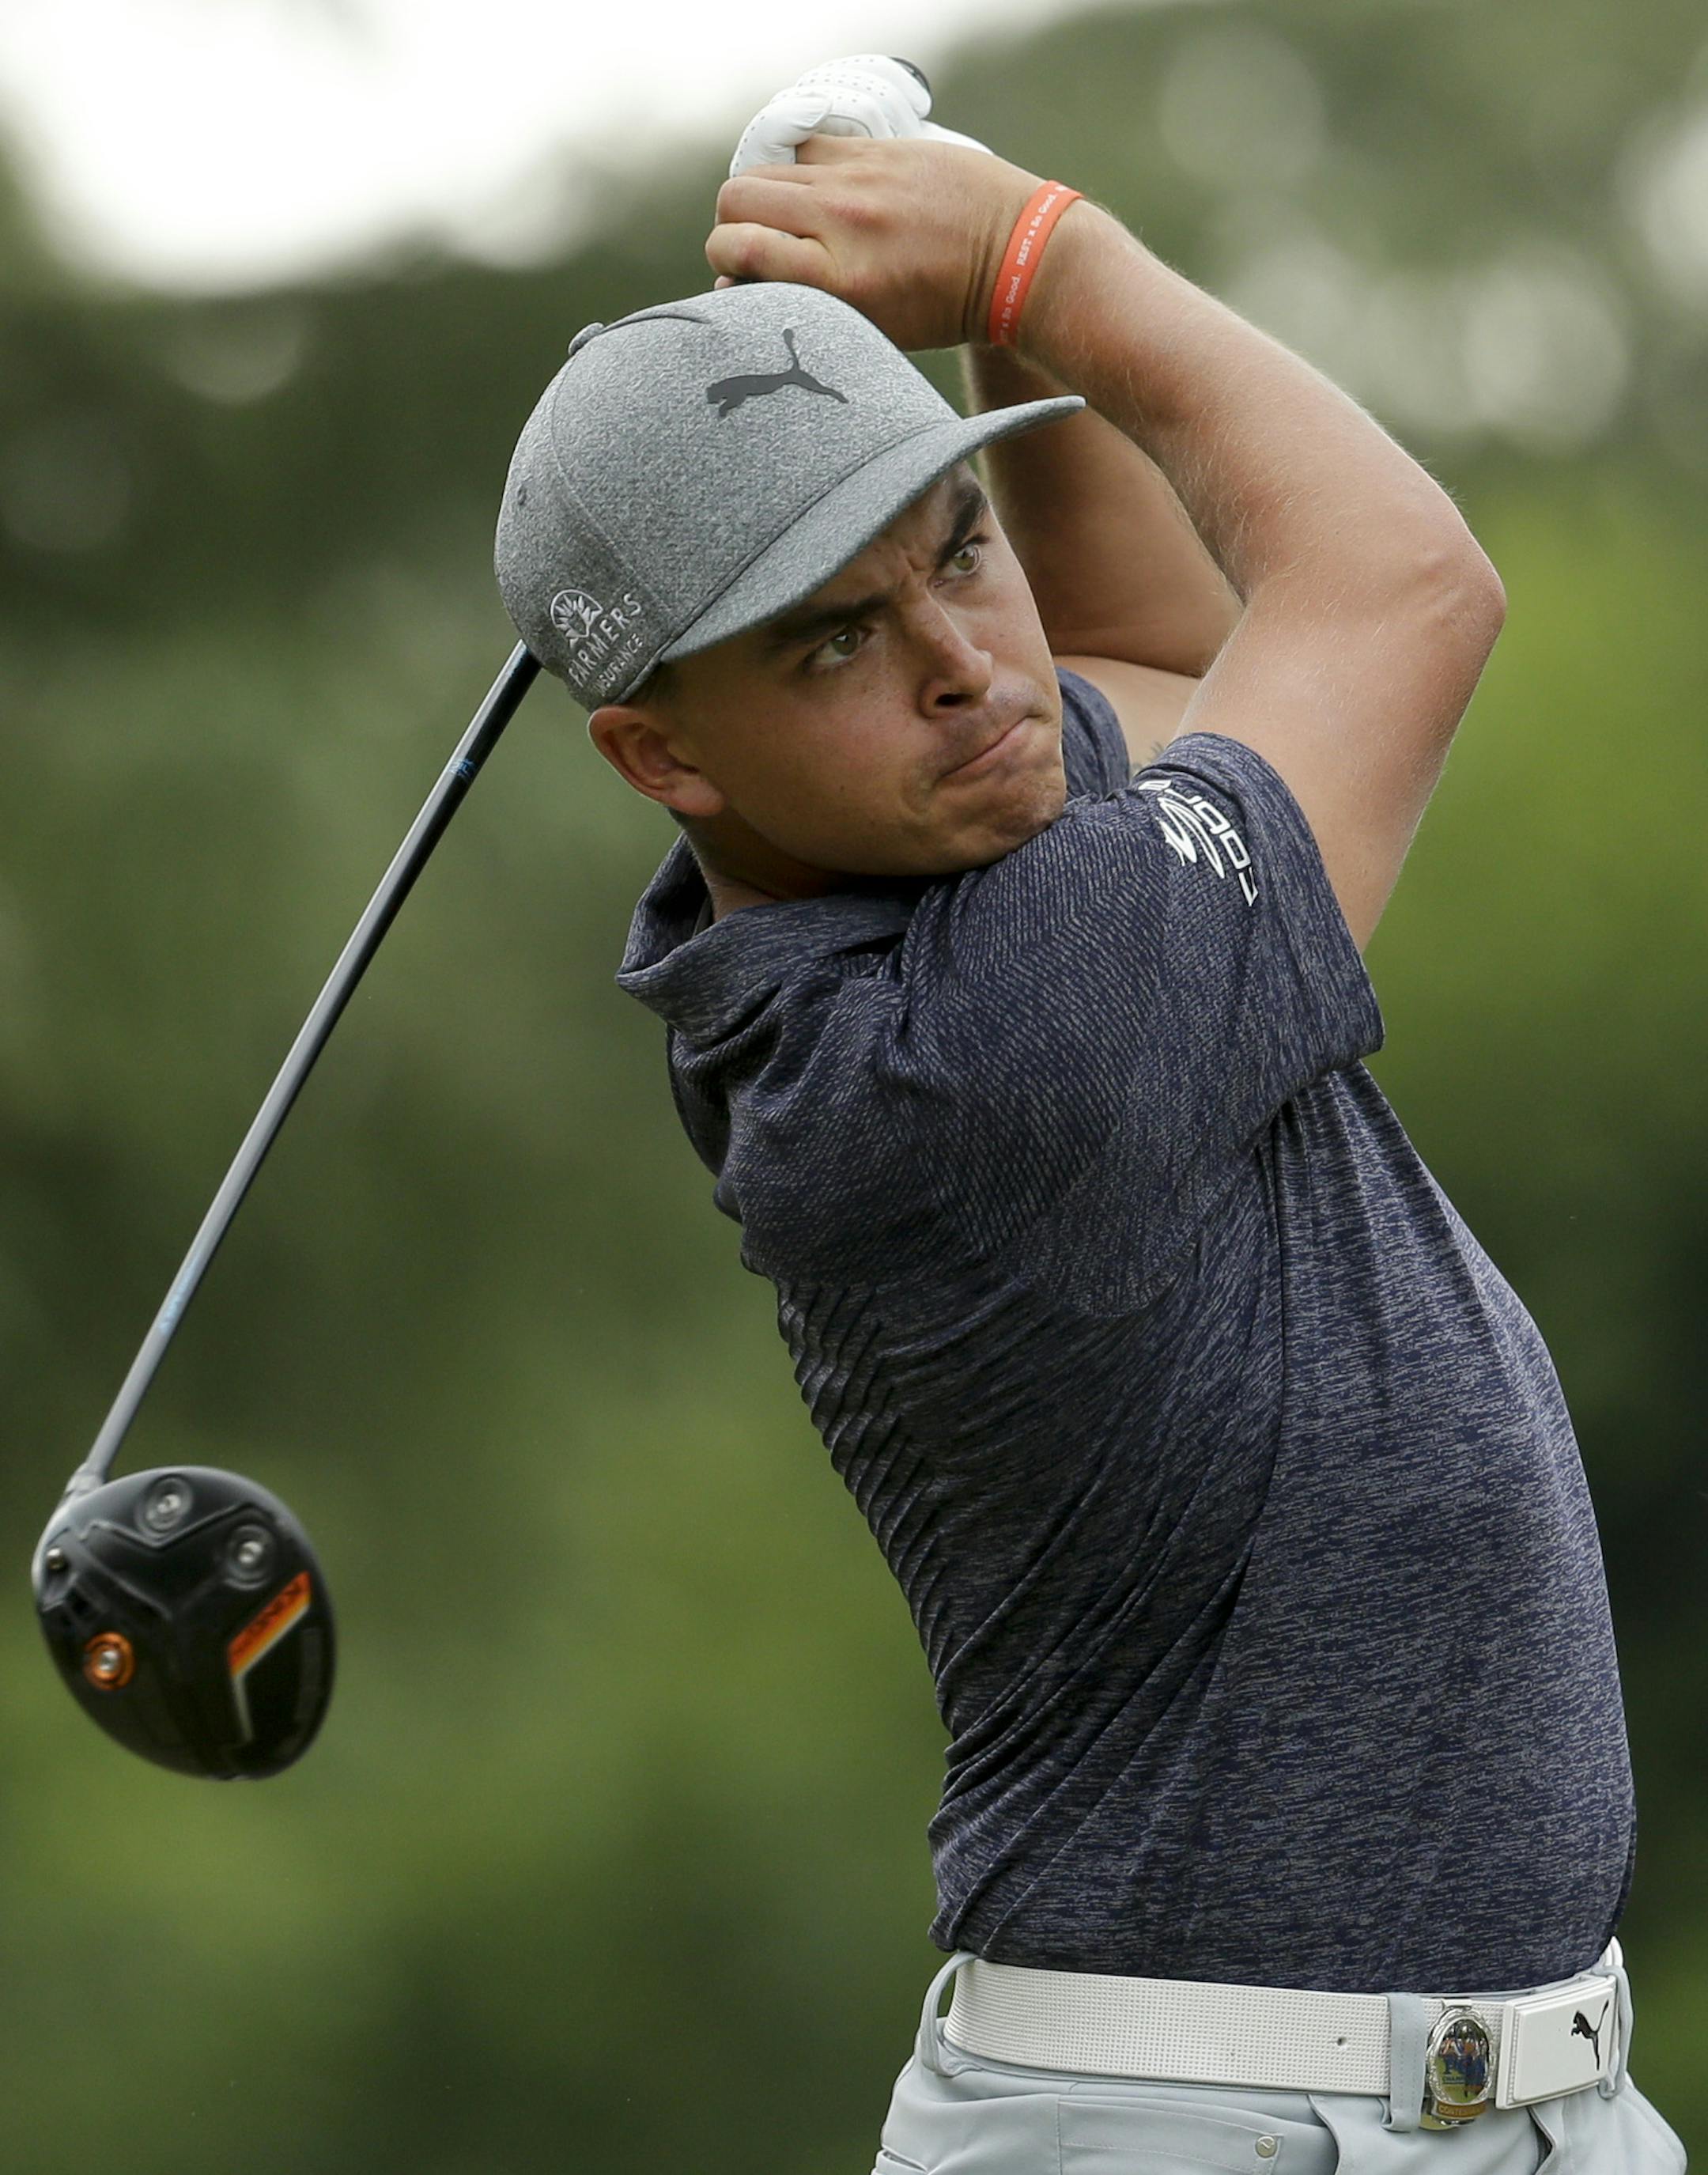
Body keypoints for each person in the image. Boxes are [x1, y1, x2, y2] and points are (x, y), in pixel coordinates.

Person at [490, 64, 1686, 2174]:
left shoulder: (941, 852)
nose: (969, 665)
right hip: (1203, 2122)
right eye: (837, 637)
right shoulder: (982, 1057)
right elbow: (1408, 587)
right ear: (659, 755)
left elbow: (1140, 644)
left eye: (963, 544)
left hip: (1474, 2101)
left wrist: (968, 339)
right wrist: (1034, 251)